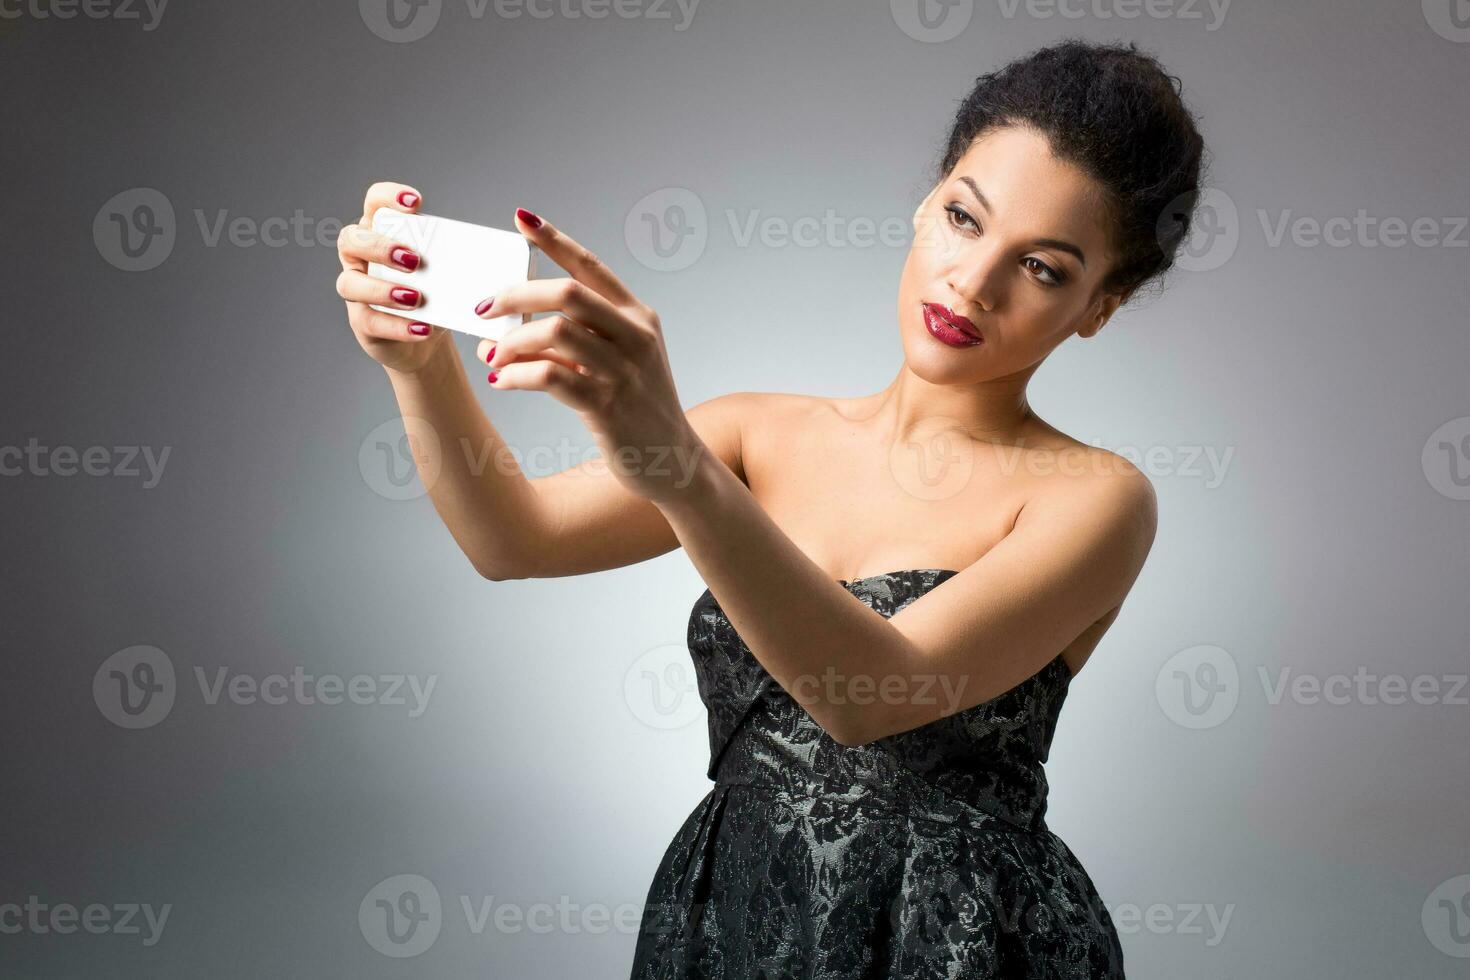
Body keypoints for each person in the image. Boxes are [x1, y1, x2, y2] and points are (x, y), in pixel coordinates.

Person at [334, 36, 1206, 978]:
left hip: (961, 942)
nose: (974, 281)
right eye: (963, 218)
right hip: (737, 911)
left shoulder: (1100, 500)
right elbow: (511, 539)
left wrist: (677, 467)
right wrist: (416, 363)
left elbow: (868, 697)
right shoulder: (755, 432)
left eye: (1043, 268)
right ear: (925, 203)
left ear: (1098, 306)